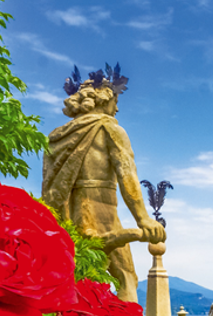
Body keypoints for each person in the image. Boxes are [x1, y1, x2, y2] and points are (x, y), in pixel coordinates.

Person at [42, 65, 164, 303]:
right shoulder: (109, 128)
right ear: (105, 99)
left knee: (74, 280)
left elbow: (49, 184)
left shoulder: (56, 137)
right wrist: (143, 219)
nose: (116, 108)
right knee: (126, 278)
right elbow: (127, 174)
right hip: (102, 214)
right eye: (115, 101)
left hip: (65, 219)